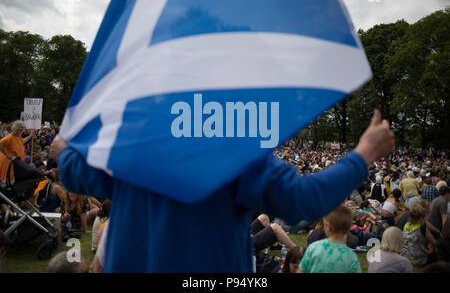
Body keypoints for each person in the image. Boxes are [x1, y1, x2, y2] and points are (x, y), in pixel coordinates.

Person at [50, 109, 395, 272]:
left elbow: (78, 174)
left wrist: (63, 151)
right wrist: (364, 153)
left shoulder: (128, 135)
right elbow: (302, 200)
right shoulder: (233, 149)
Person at [298, 204, 361, 273]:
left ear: (328, 226)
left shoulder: (313, 247)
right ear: (349, 228)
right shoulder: (351, 257)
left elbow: (301, 271)